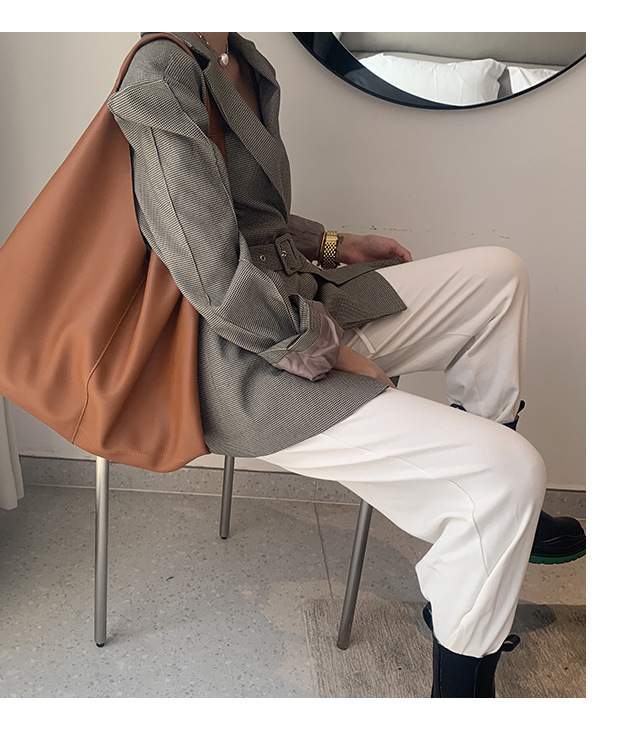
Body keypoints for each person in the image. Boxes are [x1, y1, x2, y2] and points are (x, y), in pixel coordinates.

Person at [107, 32, 585, 697]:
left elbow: (248, 214)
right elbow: (210, 272)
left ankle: (497, 538)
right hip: (239, 355)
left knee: (500, 277)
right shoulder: (160, 74)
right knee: (512, 472)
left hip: (298, 300)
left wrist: (335, 243)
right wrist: (322, 347)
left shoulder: (240, 56)